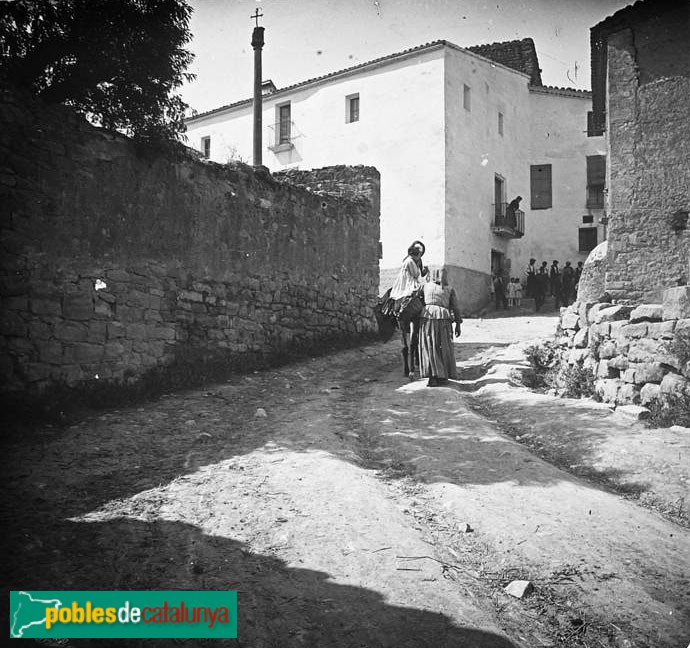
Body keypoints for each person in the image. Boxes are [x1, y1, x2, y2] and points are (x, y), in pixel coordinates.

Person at [387, 240, 429, 377]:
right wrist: (423, 270)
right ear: (415, 254)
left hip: (401, 291)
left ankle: (409, 366)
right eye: (419, 254)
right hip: (409, 289)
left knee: (404, 333)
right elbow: (417, 275)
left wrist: (423, 270)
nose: (420, 256)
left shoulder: (413, 260)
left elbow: (420, 273)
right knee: (423, 306)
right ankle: (413, 363)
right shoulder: (411, 261)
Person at [418, 268, 462, 387]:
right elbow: (456, 308)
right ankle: (442, 375)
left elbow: (418, 302)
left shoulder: (425, 287)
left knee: (429, 346)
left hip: (426, 317)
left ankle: (432, 376)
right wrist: (458, 324)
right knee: (443, 346)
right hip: (443, 319)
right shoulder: (449, 289)